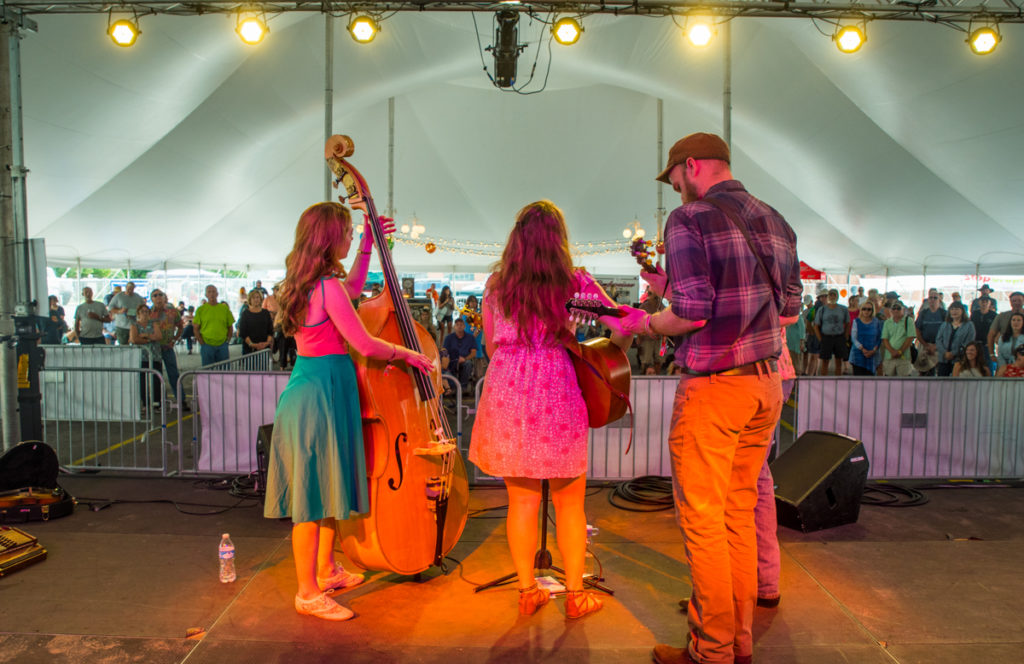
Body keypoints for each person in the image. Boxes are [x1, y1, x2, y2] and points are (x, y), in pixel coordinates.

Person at [613, 132, 801, 664]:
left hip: (717, 388)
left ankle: (711, 650)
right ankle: (736, 644)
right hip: (765, 385)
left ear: (691, 165)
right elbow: (788, 312)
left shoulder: (689, 219)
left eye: (675, 182)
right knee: (738, 515)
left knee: (703, 520)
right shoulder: (775, 219)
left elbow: (692, 311)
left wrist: (647, 321)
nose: (676, 192)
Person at [264, 201, 433, 621]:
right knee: (310, 503)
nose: (351, 236)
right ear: (327, 238)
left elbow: (352, 291)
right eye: (348, 231)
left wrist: (369, 245)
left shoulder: (313, 284)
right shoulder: (326, 288)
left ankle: (325, 571)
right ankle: (307, 593)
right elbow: (365, 344)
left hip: (319, 389)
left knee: (323, 490)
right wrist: (408, 353)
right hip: (321, 395)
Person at [470, 200, 627, 621]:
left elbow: (488, 346)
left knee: (520, 502)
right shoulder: (574, 284)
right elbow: (620, 325)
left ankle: (527, 591)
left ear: (516, 239)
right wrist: (607, 361)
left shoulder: (496, 285)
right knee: (570, 503)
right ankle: (575, 596)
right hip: (556, 387)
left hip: (507, 391)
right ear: (559, 240)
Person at [149, 289, 185, 408]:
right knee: (156, 376)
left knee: (174, 374)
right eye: (155, 295)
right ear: (152, 299)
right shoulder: (148, 312)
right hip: (153, 349)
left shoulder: (172, 312)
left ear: (165, 297)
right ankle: (158, 401)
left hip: (168, 347)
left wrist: (175, 339)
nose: (158, 297)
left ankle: (181, 400)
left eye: (160, 295)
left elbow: (180, 326)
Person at [129, 304, 164, 412]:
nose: (144, 313)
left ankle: (156, 403)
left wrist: (145, 336)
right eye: (142, 311)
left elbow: (159, 336)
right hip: (141, 356)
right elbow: (134, 339)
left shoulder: (154, 323)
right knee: (142, 381)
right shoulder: (134, 325)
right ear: (138, 313)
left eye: (146, 311)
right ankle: (145, 403)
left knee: (156, 379)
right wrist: (149, 339)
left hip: (155, 355)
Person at [193, 285, 235, 366]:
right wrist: (202, 343)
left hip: (222, 345)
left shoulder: (224, 309)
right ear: (206, 295)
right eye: (209, 292)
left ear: (217, 294)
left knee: (224, 372)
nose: (211, 294)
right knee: (208, 372)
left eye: (213, 292)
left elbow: (230, 327)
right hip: (207, 345)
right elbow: (195, 328)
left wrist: (227, 341)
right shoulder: (200, 310)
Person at [814, 288, 849, 376]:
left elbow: (848, 323)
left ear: (837, 297)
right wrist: (820, 339)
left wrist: (846, 336)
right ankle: (823, 382)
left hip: (839, 337)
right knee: (825, 361)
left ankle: (838, 381)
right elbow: (816, 325)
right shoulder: (822, 309)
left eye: (834, 295)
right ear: (828, 297)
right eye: (831, 295)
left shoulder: (843, 309)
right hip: (826, 337)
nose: (833, 297)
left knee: (839, 361)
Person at [935, 302, 975, 377]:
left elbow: (969, 342)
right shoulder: (945, 324)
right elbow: (938, 340)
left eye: (957, 309)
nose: (954, 311)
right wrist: (945, 353)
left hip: (959, 360)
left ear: (962, 311)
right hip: (943, 359)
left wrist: (954, 353)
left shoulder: (969, 325)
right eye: (952, 309)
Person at [915, 288, 946, 376]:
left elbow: (947, 332)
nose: (933, 300)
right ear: (928, 300)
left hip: (940, 348)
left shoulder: (944, 314)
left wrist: (936, 346)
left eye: (935, 298)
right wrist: (926, 345)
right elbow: (917, 329)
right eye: (930, 298)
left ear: (939, 300)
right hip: (925, 347)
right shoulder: (923, 313)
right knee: (923, 373)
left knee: (939, 374)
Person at [881, 301, 916, 376]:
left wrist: (900, 351)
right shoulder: (887, 322)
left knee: (904, 383)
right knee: (888, 383)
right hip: (889, 357)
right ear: (891, 310)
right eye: (894, 308)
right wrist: (892, 351)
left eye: (898, 308)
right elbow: (885, 339)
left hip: (904, 357)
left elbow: (910, 338)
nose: (896, 310)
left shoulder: (908, 321)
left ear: (903, 309)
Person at [849, 300, 883, 376]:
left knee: (871, 381)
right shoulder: (856, 321)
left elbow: (879, 337)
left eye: (869, 309)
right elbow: (853, 338)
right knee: (858, 381)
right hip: (858, 355)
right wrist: (863, 349)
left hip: (872, 355)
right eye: (864, 309)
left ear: (872, 310)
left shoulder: (876, 322)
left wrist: (873, 350)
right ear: (861, 310)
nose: (866, 311)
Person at [442, 318, 477, 394]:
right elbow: (444, 351)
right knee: (445, 368)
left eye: (461, 325)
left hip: (465, 359)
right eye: (457, 325)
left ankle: (463, 387)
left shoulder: (470, 338)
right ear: (454, 327)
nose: (459, 326)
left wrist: (464, 359)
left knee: (468, 364)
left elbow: (473, 353)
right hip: (451, 360)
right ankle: (453, 387)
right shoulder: (448, 338)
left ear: (464, 326)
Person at [988, 291, 1024, 359]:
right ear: (1010, 302)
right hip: (1005, 354)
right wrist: (992, 354)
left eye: (1019, 300)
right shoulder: (1002, 316)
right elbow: (991, 335)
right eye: (1014, 301)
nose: (1016, 303)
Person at [108, 281, 146, 346]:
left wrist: (138, 313)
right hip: (122, 326)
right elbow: (110, 308)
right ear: (125, 287)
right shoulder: (118, 296)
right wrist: (120, 311)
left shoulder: (138, 297)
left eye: (132, 289)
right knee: (123, 346)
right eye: (128, 288)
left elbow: (144, 308)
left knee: (136, 345)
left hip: (135, 325)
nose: (130, 290)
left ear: (134, 288)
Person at [238, 289, 275, 355]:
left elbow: (270, 330)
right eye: (253, 298)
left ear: (260, 299)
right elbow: (243, 332)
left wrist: (266, 343)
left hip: (265, 348)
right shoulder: (245, 314)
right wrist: (253, 344)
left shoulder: (266, 313)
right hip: (250, 349)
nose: (256, 299)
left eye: (257, 297)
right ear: (250, 300)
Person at [970, 295, 997, 366]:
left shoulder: (993, 315)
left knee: (988, 365)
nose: (984, 303)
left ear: (990, 303)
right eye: (982, 301)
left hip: (988, 344)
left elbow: (996, 330)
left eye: (986, 302)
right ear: (979, 303)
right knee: (975, 364)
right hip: (975, 343)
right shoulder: (974, 314)